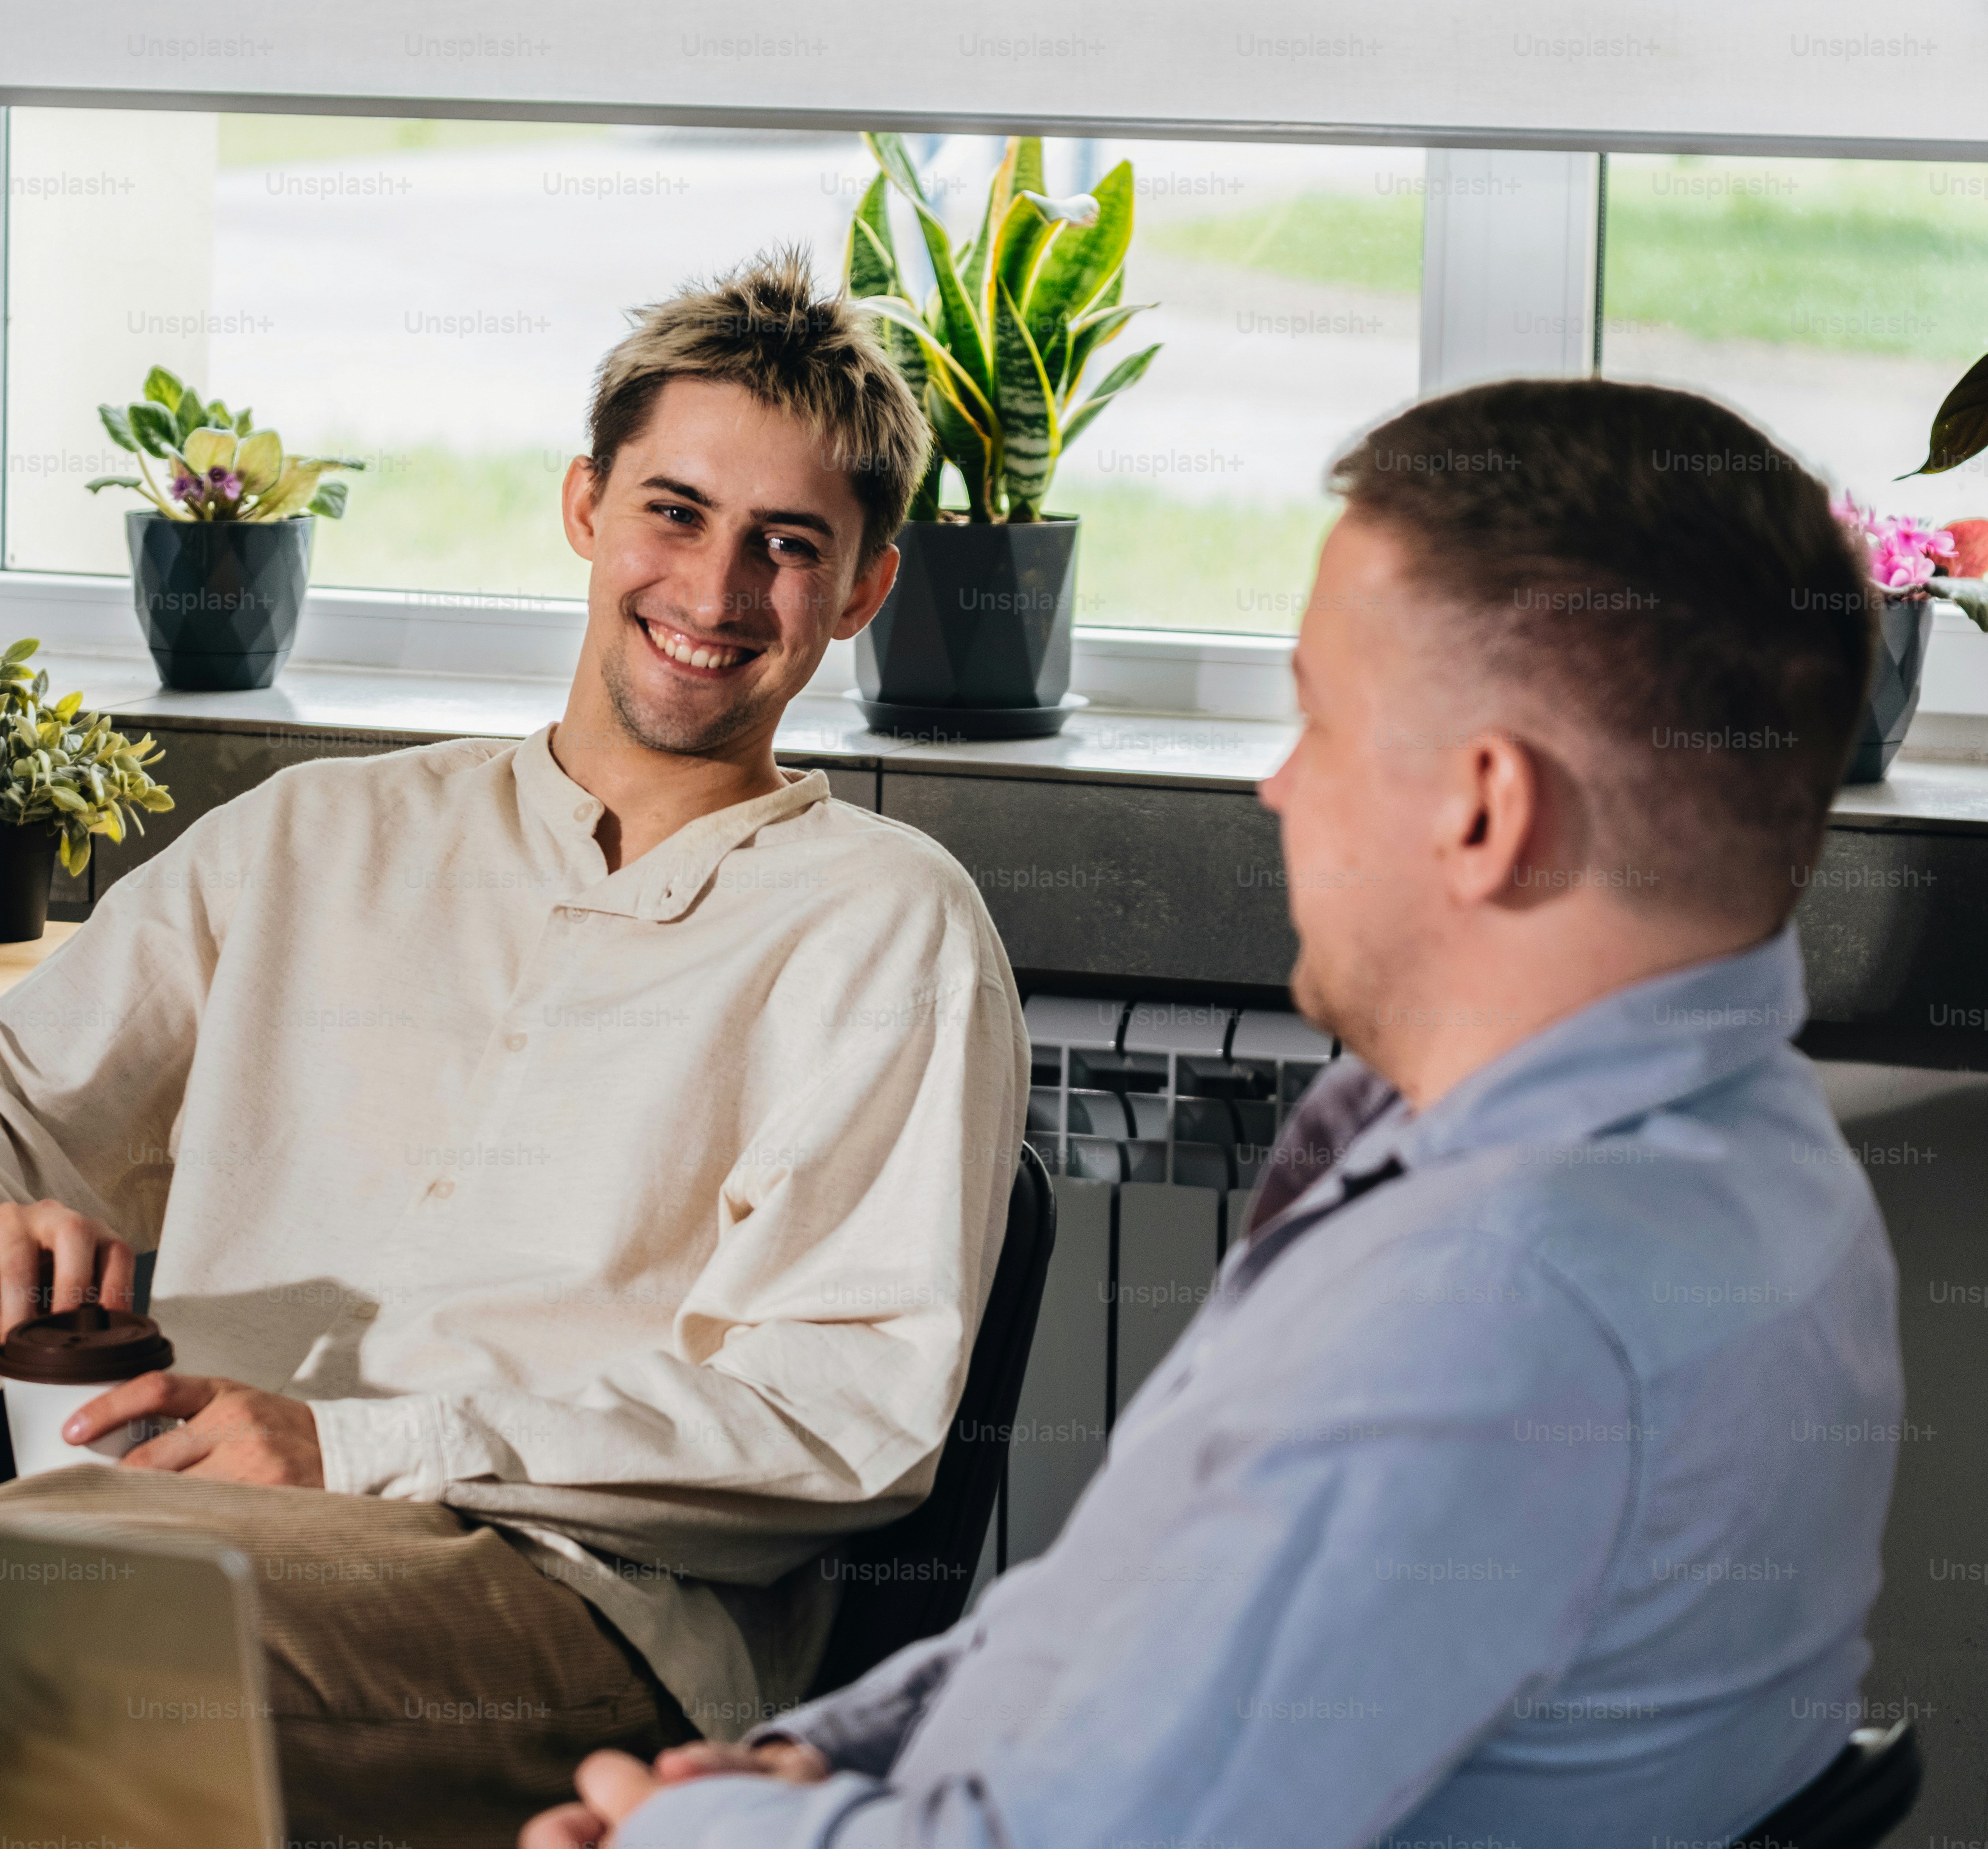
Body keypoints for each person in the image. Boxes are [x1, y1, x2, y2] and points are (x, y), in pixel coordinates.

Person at [533, 378, 1905, 1849]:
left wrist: (677, 1838)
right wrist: (820, 1758)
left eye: (1319, 720)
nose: (1278, 786)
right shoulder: (1745, 1156)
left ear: (1485, 810)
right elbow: (1116, 1610)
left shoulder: (1489, 1311)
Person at [0, 249, 1027, 1849]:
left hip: (574, 1606)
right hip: (148, 1528)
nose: (714, 592)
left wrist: (354, 1447)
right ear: (585, 506)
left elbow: (841, 1415)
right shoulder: (318, 835)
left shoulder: (885, 923)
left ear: (860, 591)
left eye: (785, 546)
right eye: (674, 511)